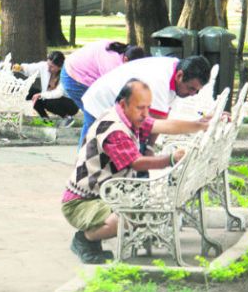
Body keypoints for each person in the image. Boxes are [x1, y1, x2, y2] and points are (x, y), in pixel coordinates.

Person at [62, 79, 211, 264]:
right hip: (81, 202)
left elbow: (163, 125)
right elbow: (137, 163)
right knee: (130, 218)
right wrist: (171, 159)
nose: (145, 114)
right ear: (124, 104)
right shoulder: (114, 128)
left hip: (102, 194)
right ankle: (84, 240)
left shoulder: (127, 116)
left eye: (148, 107)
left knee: (138, 213)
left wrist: (200, 125)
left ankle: (93, 239)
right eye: (141, 108)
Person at [78, 55, 212, 148]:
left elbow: (161, 119)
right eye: (191, 88)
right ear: (180, 75)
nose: (192, 94)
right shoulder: (160, 80)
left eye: (197, 91)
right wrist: (148, 148)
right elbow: (158, 124)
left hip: (118, 103)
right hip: (101, 102)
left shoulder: (176, 69)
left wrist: (148, 148)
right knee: (91, 154)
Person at [60, 40, 146, 149]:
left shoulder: (122, 52)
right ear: (126, 59)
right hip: (74, 78)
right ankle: (83, 158)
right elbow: (113, 92)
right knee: (94, 115)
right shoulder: (112, 64)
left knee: (103, 116)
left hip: (86, 74)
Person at [12, 51, 78, 127]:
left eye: (52, 66)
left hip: (70, 103)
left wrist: (40, 94)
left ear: (59, 67)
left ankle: (67, 117)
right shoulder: (45, 67)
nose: (48, 68)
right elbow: (31, 68)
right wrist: (21, 68)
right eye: (48, 65)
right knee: (31, 93)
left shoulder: (66, 74)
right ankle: (46, 120)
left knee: (46, 100)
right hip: (50, 98)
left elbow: (58, 93)